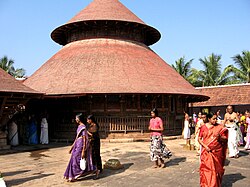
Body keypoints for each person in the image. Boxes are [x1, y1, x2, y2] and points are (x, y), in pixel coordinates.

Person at [198, 112, 228, 187]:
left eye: (216, 119)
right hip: (206, 152)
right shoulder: (203, 127)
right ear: (209, 119)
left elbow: (225, 139)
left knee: (216, 170)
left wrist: (219, 138)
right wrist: (205, 146)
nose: (215, 120)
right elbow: (199, 139)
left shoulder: (220, 127)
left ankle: (215, 184)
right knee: (206, 169)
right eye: (213, 119)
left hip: (217, 152)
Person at [64, 113, 96, 182]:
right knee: (73, 158)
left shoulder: (83, 127)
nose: (75, 119)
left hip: (81, 145)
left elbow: (84, 139)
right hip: (77, 144)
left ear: (79, 119)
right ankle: (72, 175)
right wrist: (72, 147)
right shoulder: (79, 127)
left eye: (76, 118)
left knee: (77, 158)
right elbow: (76, 138)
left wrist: (83, 150)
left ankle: (78, 174)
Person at [87, 115, 102, 179]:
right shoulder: (90, 125)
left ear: (91, 120)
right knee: (93, 155)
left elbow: (93, 134)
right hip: (92, 142)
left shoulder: (95, 125)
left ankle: (98, 169)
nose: (87, 121)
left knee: (96, 155)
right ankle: (95, 168)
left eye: (88, 120)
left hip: (95, 142)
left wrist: (86, 132)